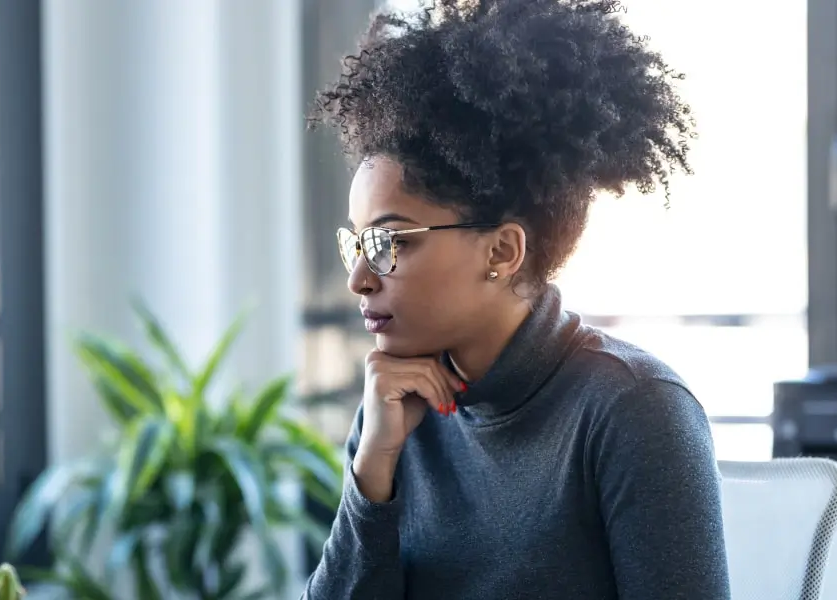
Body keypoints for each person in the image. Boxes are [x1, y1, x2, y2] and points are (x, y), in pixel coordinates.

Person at [301, 1, 729, 599]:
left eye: (391, 241)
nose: (360, 280)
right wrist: (373, 469)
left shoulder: (633, 409)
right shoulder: (393, 412)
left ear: (502, 252)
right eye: (358, 244)